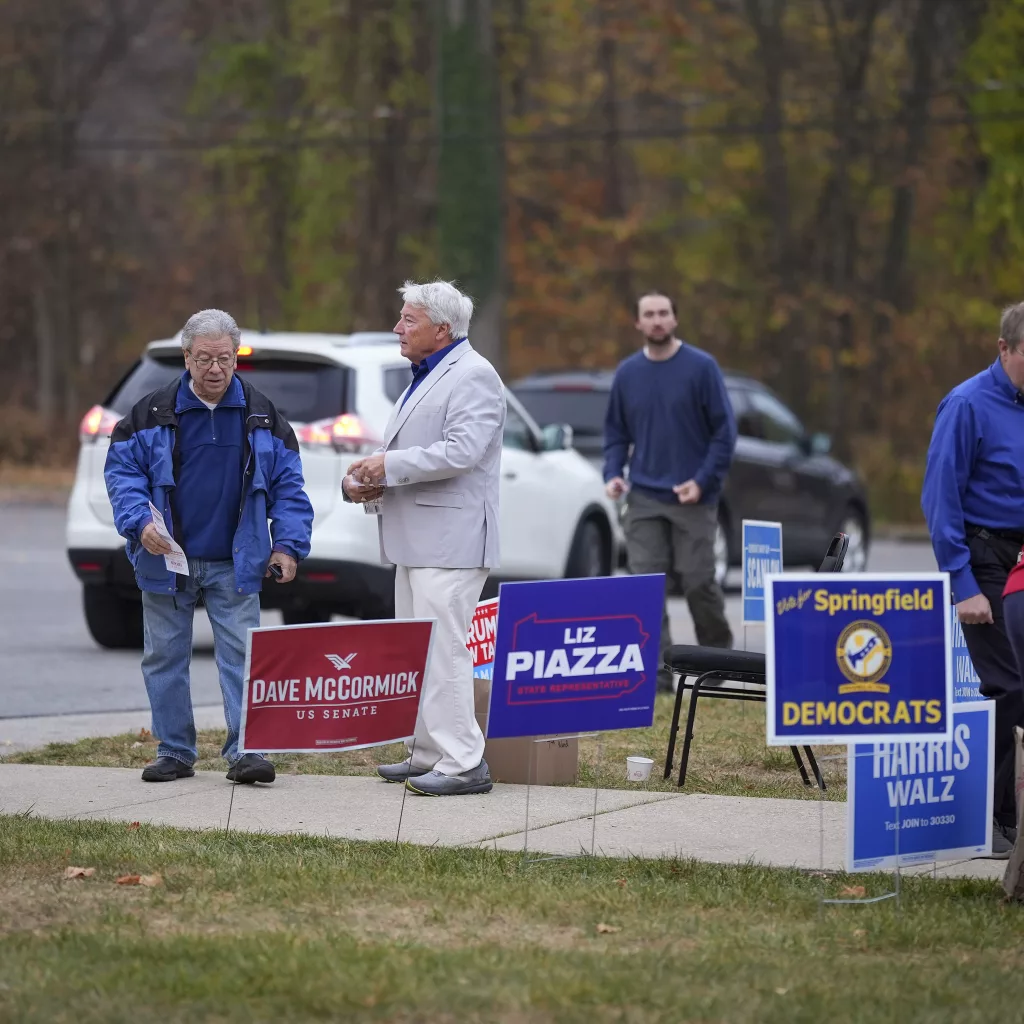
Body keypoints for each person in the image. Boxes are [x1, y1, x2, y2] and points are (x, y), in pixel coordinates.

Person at [104, 309, 313, 785]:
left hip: (235, 562)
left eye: (224, 358)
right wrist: (139, 525)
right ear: (187, 357)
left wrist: (288, 546)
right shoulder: (150, 413)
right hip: (166, 559)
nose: (215, 369)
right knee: (163, 657)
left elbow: (289, 488)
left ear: (235, 358)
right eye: (204, 359)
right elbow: (122, 475)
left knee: (243, 656)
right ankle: (175, 751)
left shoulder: (264, 417)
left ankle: (246, 752)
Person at [344, 280, 506, 796]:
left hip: (451, 543)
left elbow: (461, 451)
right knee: (417, 651)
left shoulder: (475, 375)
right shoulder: (426, 374)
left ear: (442, 329)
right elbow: (417, 453)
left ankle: (464, 763)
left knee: (444, 652)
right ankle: (429, 753)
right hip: (419, 542)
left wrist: (385, 465)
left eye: (408, 320)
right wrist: (368, 483)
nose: (397, 327)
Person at [921, 300, 1024, 858]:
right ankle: (997, 818)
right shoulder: (966, 405)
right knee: (1011, 688)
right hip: (984, 558)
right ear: (1004, 349)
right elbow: (940, 500)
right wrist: (963, 583)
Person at [603, 292, 737, 691]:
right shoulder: (627, 374)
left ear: (675, 319)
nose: (657, 320)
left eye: (664, 313)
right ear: (638, 324)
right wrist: (613, 472)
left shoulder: (701, 368)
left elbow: (724, 433)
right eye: (649, 314)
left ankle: (720, 666)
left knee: (699, 583)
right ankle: (659, 677)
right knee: (646, 588)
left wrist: (702, 480)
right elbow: (615, 434)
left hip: (692, 497)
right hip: (643, 497)